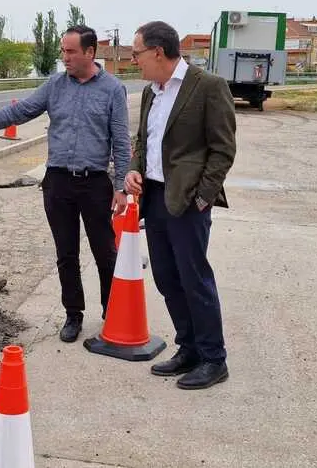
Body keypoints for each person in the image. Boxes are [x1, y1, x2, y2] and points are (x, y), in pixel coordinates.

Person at [0, 25, 130, 343]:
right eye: (63, 50)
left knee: (105, 252)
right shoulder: (55, 85)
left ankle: (110, 312)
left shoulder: (113, 89)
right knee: (66, 253)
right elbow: (20, 111)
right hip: (58, 182)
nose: (65, 57)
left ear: (90, 52)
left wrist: (121, 186)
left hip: (96, 183)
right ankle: (73, 314)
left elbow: (121, 140)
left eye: (71, 51)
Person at [124, 20, 237, 390]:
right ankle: (187, 347)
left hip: (188, 202)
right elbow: (144, 140)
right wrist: (135, 170)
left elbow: (222, 149)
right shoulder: (150, 92)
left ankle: (213, 358)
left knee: (194, 279)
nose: (133, 60)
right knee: (167, 278)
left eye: (137, 52)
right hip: (154, 198)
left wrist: (203, 198)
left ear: (158, 52)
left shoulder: (208, 87)